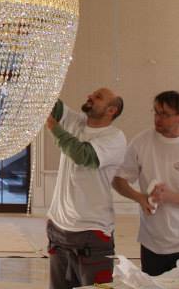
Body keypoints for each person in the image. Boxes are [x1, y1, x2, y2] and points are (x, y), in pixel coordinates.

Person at [113, 90, 179, 276]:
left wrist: (167, 197)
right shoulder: (141, 142)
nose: (158, 119)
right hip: (152, 242)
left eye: (165, 114)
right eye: (155, 112)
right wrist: (140, 198)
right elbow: (119, 180)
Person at [46, 88, 127, 289]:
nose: (89, 96)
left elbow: (84, 156)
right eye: (92, 93)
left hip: (91, 234)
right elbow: (49, 103)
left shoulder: (114, 137)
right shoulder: (76, 121)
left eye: (98, 97)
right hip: (58, 230)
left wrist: (54, 128)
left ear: (111, 110)